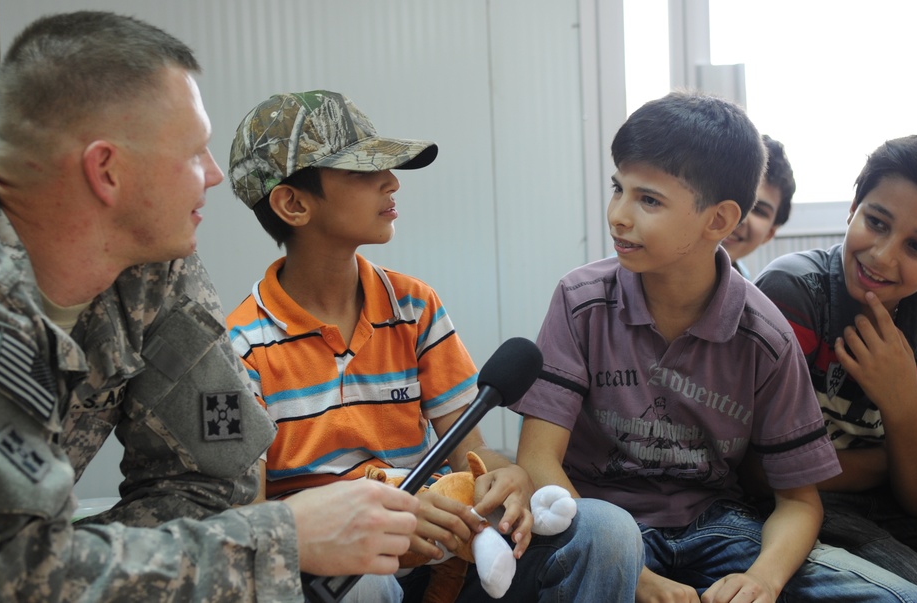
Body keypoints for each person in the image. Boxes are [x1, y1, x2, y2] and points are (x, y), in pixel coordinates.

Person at [0, 10, 421, 602]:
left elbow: (215, 485)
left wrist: (93, 565)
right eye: (194, 153)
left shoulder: (156, 263)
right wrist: (278, 538)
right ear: (106, 170)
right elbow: (12, 575)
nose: (217, 176)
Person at [510, 91, 917, 603]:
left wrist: (761, 581)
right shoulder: (580, 301)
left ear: (718, 220)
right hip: (601, 519)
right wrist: (640, 583)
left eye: (648, 200)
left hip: (717, 527)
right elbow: (537, 460)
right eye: (617, 187)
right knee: (609, 540)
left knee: (908, 599)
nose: (618, 215)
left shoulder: (765, 335)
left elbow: (799, 502)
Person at [225, 89, 643, 602]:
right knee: (365, 580)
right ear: (293, 203)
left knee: (608, 530)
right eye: (361, 171)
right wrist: (381, 526)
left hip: (447, 556)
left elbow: (471, 452)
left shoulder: (414, 307)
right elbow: (249, 525)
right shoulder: (240, 350)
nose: (392, 182)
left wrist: (504, 478)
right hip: (338, 574)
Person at [753, 134, 917, 602]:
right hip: (797, 505)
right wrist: (893, 464)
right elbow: (758, 472)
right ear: (853, 207)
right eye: (876, 222)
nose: (882, 255)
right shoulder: (791, 294)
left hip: (895, 504)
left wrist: (902, 401)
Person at [722, 134, 796, 279]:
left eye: (759, 211)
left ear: (769, 233)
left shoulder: (746, 290)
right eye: (732, 196)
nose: (740, 217)